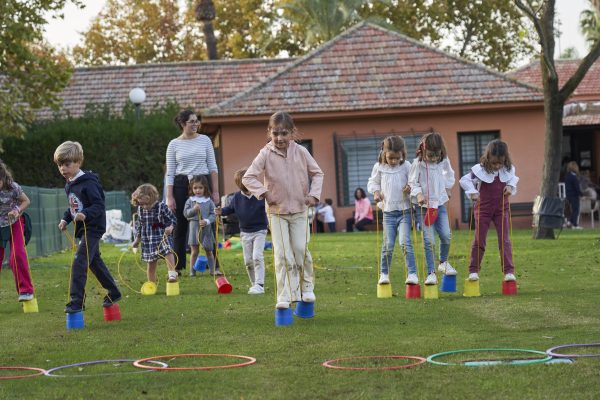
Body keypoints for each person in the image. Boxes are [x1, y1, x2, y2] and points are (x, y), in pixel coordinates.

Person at [243, 111, 323, 310]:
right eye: (275, 133)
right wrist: (264, 193)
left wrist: (313, 195)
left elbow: (318, 173)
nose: (279, 138)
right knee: (282, 254)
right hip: (276, 212)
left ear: (292, 133)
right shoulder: (265, 153)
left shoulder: (301, 152)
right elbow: (248, 177)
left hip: (299, 210)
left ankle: (306, 288)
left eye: (284, 133)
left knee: (300, 249)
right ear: (269, 132)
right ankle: (284, 296)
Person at [54, 141, 121, 313]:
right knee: (94, 262)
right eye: (60, 165)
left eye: (67, 164)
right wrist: (65, 219)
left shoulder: (89, 183)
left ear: (78, 162)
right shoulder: (69, 183)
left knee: (79, 261)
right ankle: (113, 292)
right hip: (83, 228)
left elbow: (98, 205)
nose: (63, 169)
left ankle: (76, 302)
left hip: (94, 228)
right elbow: (74, 207)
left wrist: (86, 214)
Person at [165, 110, 219, 275]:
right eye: (192, 122)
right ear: (183, 124)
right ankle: (178, 266)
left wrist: (215, 191)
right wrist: (169, 196)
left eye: (197, 121)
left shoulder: (205, 140)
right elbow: (170, 172)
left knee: (208, 223)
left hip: (202, 182)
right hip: (181, 184)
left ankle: (215, 266)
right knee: (180, 225)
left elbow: (213, 167)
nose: (196, 124)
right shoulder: (174, 144)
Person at [459, 140, 518, 282]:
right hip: (483, 209)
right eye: (494, 163)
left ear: (505, 159)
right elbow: (464, 181)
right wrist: (473, 192)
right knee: (479, 239)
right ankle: (473, 270)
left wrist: (510, 186)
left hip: (501, 209)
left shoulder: (507, 169)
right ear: (488, 159)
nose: (497, 166)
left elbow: (513, 179)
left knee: (504, 240)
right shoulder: (479, 170)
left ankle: (509, 271)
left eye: (500, 163)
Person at [367, 136, 417, 285]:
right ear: (384, 153)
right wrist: (376, 192)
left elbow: (414, 182)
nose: (394, 161)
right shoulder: (379, 167)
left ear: (402, 153)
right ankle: (384, 273)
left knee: (404, 242)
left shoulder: (407, 166)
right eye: (390, 158)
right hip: (388, 213)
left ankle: (412, 273)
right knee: (388, 245)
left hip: (405, 212)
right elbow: (373, 183)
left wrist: (410, 188)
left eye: (397, 158)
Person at [408, 132, 456, 285]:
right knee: (429, 240)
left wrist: (448, 188)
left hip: (439, 205)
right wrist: (419, 194)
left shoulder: (443, 161)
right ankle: (431, 273)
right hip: (423, 208)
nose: (434, 158)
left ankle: (443, 262)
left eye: (437, 155)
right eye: (430, 155)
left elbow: (450, 175)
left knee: (446, 236)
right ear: (423, 150)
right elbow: (412, 182)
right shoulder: (418, 164)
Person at [217, 168, 269, 294]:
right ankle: (254, 284)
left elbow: (270, 205)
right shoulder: (237, 197)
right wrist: (221, 211)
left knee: (257, 256)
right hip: (245, 232)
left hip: (260, 230)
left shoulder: (260, 195)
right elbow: (229, 209)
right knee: (248, 261)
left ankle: (260, 284)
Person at [0, 160, 34, 302]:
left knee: (17, 254)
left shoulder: (13, 187)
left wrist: (16, 210)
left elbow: (26, 201)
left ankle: (26, 291)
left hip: (14, 222)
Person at [131, 183, 178, 285]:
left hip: (161, 235)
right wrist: (137, 240)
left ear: (153, 199)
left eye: (147, 204)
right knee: (151, 263)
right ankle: (151, 284)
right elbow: (140, 225)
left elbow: (172, 220)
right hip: (148, 239)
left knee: (168, 252)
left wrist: (170, 227)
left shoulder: (162, 207)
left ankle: (172, 274)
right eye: (141, 204)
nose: (145, 206)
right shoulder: (140, 209)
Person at [183, 175, 218, 277]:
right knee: (194, 251)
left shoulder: (209, 201)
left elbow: (214, 214)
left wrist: (207, 221)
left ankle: (212, 270)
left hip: (206, 230)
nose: (197, 190)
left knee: (209, 250)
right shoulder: (190, 201)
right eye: (195, 188)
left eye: (200, 188)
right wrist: (194, 210)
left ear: (205, 188)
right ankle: (192, 272)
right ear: (192, 188)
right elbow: (185, 214)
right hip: (194, 228)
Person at [565, 161, 583, 229]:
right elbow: (577, 188)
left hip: (568, 195)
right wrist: (581, 195)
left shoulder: (567, 176)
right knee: (576, 210)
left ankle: (570, 222)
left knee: (573, 210)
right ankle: (575, 225)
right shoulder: (574, 177)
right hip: (574, 196)